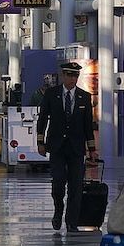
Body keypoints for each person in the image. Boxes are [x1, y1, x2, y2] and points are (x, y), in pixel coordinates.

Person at [36, 61, 98, 230]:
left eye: (76, 76)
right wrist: (40, 142)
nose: (72, 79)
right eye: (69, 75)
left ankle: (71, 221)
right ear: (63, 76)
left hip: (76, 148)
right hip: (57, 146)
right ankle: (58, 210)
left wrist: (92, 149)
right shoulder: (51, 94)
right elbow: (42, 119)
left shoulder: (84, 97)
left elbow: (88, 126)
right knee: (58, 182)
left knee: (76, 186)